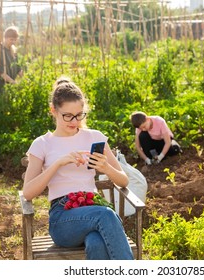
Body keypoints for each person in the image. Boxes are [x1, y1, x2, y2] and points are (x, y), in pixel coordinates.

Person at [22, 77, 133, 260]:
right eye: (68, 116)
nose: (74, 121)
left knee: (97, 243)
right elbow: (28, 193)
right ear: (53, 111)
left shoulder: (94, 137)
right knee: (105, 215)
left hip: (92, 208)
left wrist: (106, 168)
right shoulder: (42, 144)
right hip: (63, 218)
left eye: (79, 115)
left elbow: (124, 181)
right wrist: (57, 164)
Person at [0, 26, 23, 95]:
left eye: (15, 40)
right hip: (0, 85)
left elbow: (18, 67)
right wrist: (14, 83)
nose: (13, 42)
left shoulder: (13, 50)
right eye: (11, 39)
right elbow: (0, 72)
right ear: (5, 38)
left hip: (10, 84)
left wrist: (25, 79)